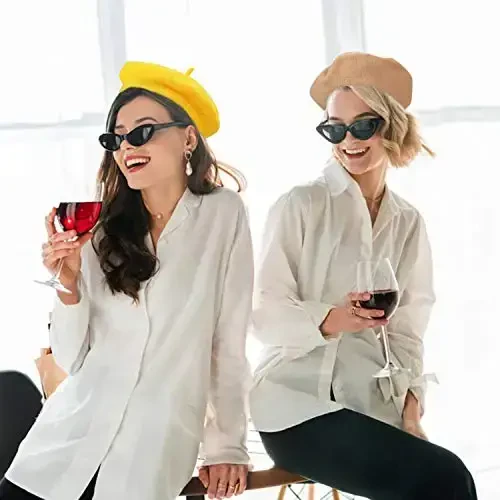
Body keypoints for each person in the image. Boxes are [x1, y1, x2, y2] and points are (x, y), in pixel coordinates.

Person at [1, 61, 253, 500]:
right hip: (65, 445)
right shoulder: (100, 230)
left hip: (150, 446)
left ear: (188, 138)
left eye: (143, 132)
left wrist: (226, 446)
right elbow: (72, 358)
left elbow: (227, 342)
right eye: (116, 138)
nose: (126, 147)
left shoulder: (223, 215)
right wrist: (68, 284)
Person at [249, 52, 477, 499]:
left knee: (451, 476)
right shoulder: (301, 205)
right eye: (335, 129)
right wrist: (335, 318)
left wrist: (411, 413)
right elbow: (262, 313)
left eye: (363, 125)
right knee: (446, 479)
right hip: (294, 405)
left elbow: (408, 331)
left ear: (391, 125)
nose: (348, 140)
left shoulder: (407, 221)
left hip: (371, 406)